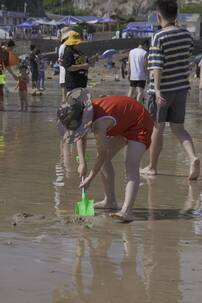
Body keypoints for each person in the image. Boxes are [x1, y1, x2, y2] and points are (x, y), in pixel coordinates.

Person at [58, 89, 154, 222]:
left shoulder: (99, 124)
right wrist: (82, 162)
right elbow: (81, 136)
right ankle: (110, 201)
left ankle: (127, 211)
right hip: (123, 122)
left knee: (131, 164)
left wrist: (90, 179)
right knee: (104, 160)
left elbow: (102, 154)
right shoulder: (84, 112)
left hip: (139, 121)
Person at [141, 0, 200, 180]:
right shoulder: (187, 35)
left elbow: (157, 66)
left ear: (158, 16)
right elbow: (186, 61)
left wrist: (157, 90)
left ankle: (152, 167)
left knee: (157, 128)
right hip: (181, 88)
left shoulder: (159, 37)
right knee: (179, 128)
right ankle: (193, 158)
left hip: (163, 90)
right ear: (176, 15)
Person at [58, 28, 71, 103]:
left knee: (66, 95)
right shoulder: (64, 46)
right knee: (65, 97)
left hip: (65, 71)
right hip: (65, 71)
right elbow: (61, 59)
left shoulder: (65, 46)